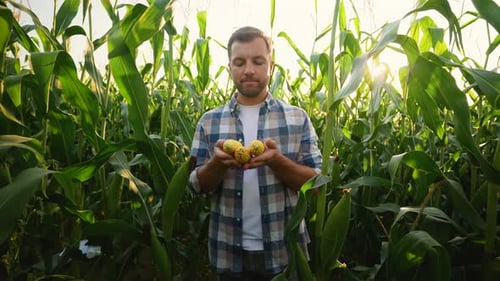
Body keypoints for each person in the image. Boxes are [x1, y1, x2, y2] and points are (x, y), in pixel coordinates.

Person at [188, 26, 322, 281]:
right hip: (228, 253)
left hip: (284, 253)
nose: (248, 69)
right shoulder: (209, 122)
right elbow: (197, 187)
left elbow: (315, 185)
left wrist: (277, 161)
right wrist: (217, 163)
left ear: (271, 65)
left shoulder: (297, 119)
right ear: (229, 66)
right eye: (239, 62)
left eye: (258, 61)